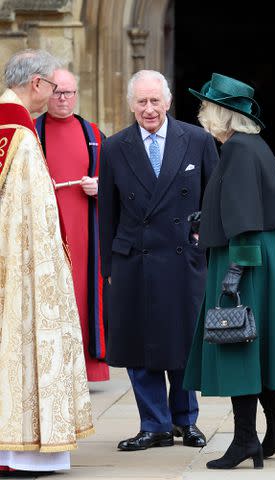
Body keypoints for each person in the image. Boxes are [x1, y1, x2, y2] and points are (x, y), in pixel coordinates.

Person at [183, 73, 275, 469]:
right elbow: (244, 202)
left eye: (206, 108)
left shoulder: (238, 150)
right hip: (260, 254)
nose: (202, 115)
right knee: (256, 348)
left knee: (237, 345)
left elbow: (244, 216)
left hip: (246, 256)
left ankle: (244, 440)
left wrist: (234, 271)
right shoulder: (253, 145)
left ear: (220, 114)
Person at [98, 69, 219, 451]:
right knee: (139, 346)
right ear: (131, 104)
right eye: (141, 101)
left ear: (167, 102)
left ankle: (186, 421)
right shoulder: (115, 146)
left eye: (155, 101)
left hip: (183, 259)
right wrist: (108, 267)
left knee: (182, 344)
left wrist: (206, 241)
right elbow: (107, 211)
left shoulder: (197, 140)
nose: (149, 109)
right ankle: (154, 424)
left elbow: (213, 199)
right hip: (133, 259)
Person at [0, 50, 94, 474]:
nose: (55, 95)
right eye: (53, 87)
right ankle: (21, 454)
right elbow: (31, 214)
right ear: (36, 83)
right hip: (22, 270)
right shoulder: (18, 133)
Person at [34, 69, 109, 382]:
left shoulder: (92, 131)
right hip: (46, 229)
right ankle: (52, 368)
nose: (63, 99)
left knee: (82, 294)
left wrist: (99, 186)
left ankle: (85, 370)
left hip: (85, 231)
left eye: (69, 93)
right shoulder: (31, 132)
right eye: (57, 93)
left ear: (78, 94)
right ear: (46, 93)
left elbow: (117, 182)